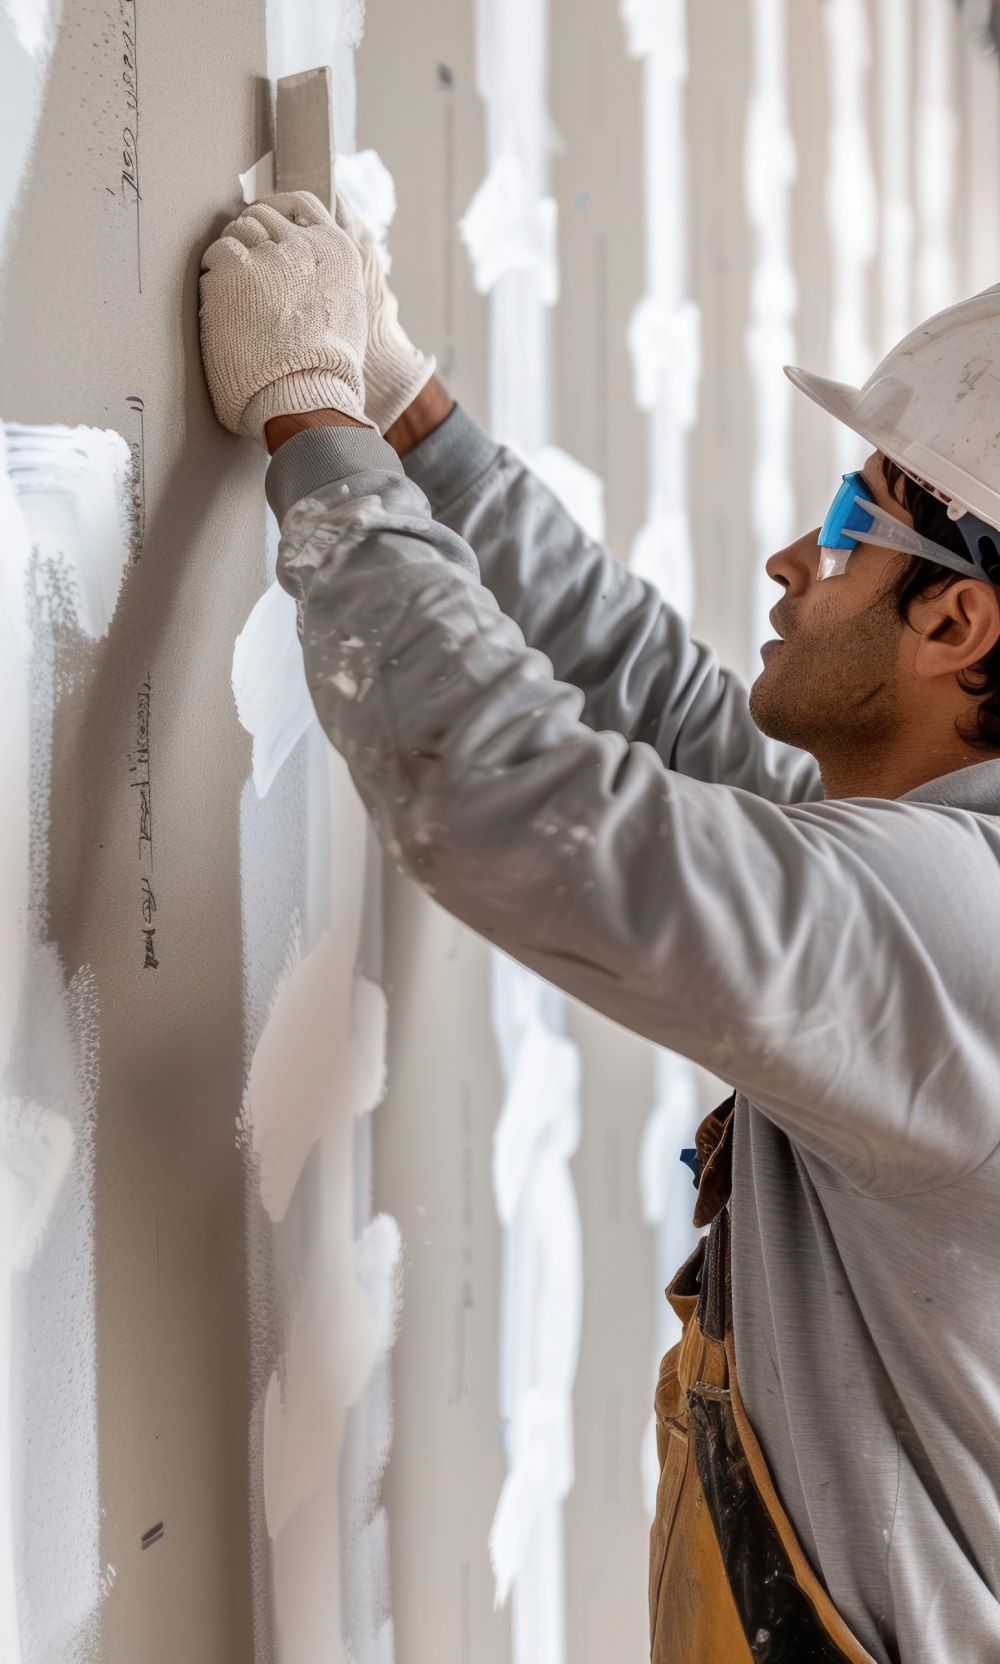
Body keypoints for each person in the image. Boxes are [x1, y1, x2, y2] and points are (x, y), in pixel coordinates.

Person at [199, 190, 1000, 1664]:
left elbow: (523, 809)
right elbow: (675, 721)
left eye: (848, 524)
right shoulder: (944, 875)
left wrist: (311, 426)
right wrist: (410, 415)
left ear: (960, 628)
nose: (791, 561)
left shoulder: (953, 932)